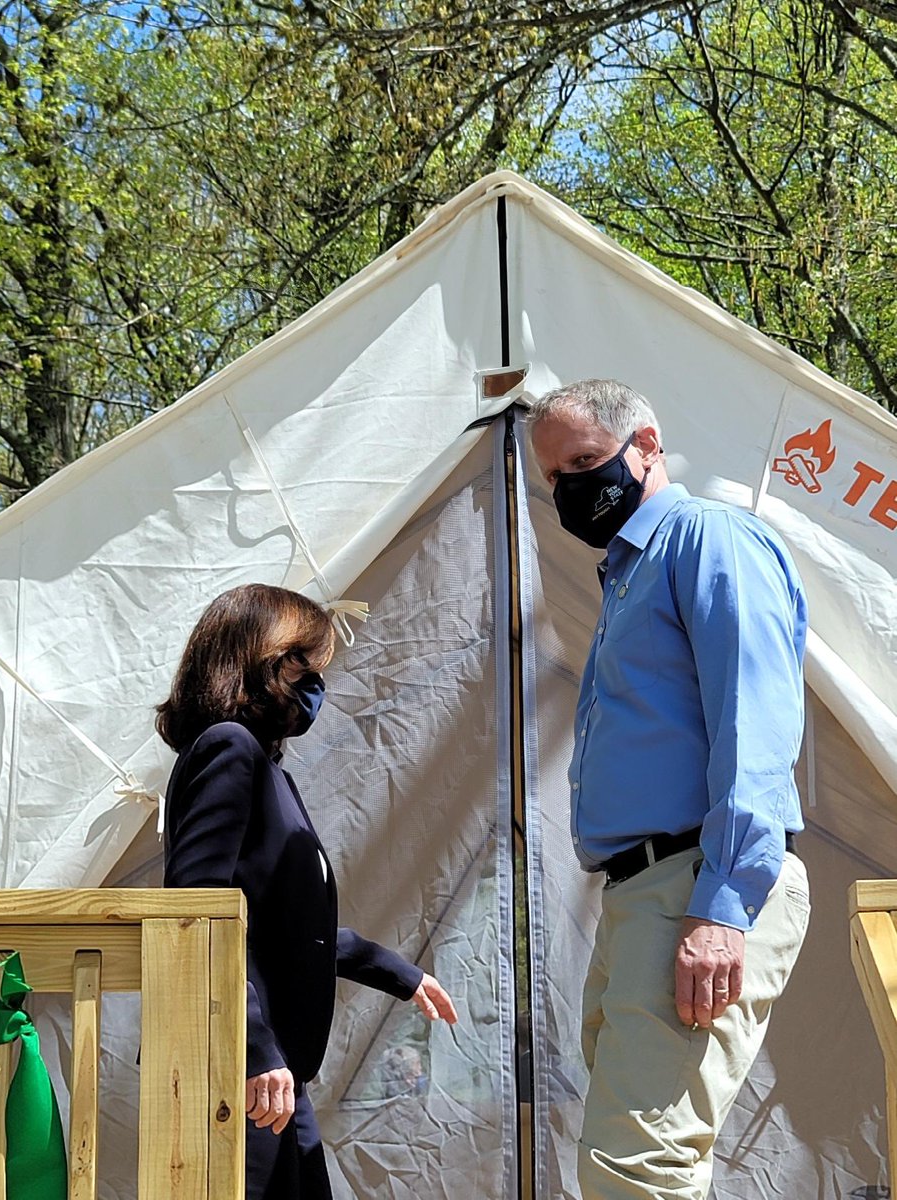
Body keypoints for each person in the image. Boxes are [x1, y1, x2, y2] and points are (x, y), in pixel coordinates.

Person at [527, 379, 811, 1200]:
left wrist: (721, 907)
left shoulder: (707, 540)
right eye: (553, 477)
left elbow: (753, 726)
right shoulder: (627, 572)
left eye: (583, 460)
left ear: (645, 444)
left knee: (634, 1170)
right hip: (647, 889)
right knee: (652, 1158)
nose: (570, 487)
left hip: (700, 881)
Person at [156, 584, 457, 1200]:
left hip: (267, 1072)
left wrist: (398, 972)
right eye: (308, 667)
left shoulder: (267, 771)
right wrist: (253, 1047)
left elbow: (286, 926)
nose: (318, 683)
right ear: (264, 661)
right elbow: (196, 915)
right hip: (235, 1069)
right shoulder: (228, 750)